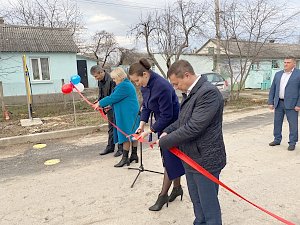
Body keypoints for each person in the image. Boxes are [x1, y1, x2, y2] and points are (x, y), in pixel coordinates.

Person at [158, 60, 226, 225]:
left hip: (205, 160)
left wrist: (165, 142)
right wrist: (167, 130)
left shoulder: (208, 93)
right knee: (197, 202)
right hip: (190, 158)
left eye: (176, 83)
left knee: (208, 206)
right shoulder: (191, 92)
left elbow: (193, 127)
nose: (175, 87)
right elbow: (182, 121)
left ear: (187, 75)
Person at [129, 58, 185, 211]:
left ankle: (163, 195)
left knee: (169, 160)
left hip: (173, 126)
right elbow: (146, 106)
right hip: (161, 125)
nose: (136, 84)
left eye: (137, 80)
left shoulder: (162, 86)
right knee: (171, 159)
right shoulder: (145, 85)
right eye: (134, 81)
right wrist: (141, 126)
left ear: (145, 74)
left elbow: (168, 115)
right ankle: (177, 188)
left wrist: (150, 131)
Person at [97, 67, 140, 167]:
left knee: (126, 135)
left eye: (115, 78)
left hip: (128, 114)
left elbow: (113, 97)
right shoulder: (125, 84)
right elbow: (119, 99)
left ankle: (125, 158)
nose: (113, 80)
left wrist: (99, 103)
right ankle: (134, 155)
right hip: (129, 112)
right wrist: (110, 106)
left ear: (120, 77)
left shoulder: (124, 86)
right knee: (133, 133)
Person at [268, 56, 300, 151]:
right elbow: (273, 88)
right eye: (285, 62)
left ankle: (292, 142)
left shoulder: (298, 74)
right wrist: (271, 101)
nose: (285, 64)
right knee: (277, 122)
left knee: (293, 124)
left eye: (288, 62)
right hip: (279, 103)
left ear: (294, 64)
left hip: (292, 104)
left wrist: (299, 104)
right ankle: (277, 139)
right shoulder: (278, 74)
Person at [90, 65, 123, 157]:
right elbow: (101, 93)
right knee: (111, 127)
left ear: (101, 72)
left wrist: (108, 104)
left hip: (115, 106)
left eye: (96, 76)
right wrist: (98, 101)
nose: (96, 78)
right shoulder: (100, 81)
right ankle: (110, 147)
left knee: (118, 127)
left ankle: (121, 149)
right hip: (107, 107)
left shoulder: (112, 79)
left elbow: (114, 95)